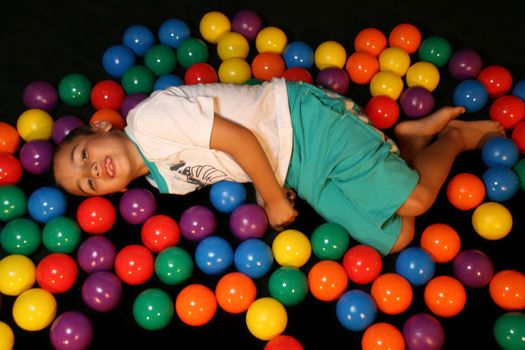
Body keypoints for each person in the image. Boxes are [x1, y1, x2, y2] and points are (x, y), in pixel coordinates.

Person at [52, 78, 504, 255]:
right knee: (400, 236)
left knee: (418, 199)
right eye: (88, 183)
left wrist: (270, 201)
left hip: (305, 123)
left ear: (101, 127)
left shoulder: (149, 119)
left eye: (84, 156)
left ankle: (454, 138)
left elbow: (240, 138)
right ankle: (406, 141)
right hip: (294, 170)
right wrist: (266, 187)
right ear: (107, 196)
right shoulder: (161, 181)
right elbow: (231, 162)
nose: (94, 170)